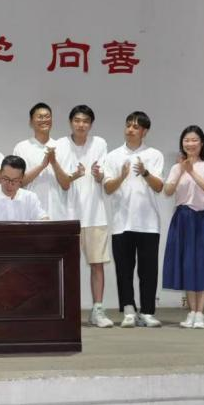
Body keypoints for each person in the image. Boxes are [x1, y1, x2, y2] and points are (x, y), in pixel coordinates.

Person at [102, 111, 165, 328]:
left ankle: (147, 312)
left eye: (136, 127)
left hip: (149, 222)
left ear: (144, 131)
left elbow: (159, 186)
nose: (130, 130)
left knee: (148, 271)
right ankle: (128, 310)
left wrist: (145, 172)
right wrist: (121, 176)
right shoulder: (113, 156)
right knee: (124, 269)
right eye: (128, 125)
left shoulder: (154, 154)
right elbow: (108, 188)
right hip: (121, 222)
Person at [54, 104, 113, 327]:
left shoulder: (100, 143)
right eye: (77, 120)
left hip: (95, 214)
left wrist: (98, 175)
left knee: (97, 264)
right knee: (67, 266)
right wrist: (74, 175)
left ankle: (97, 310)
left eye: (85, 121)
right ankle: (66, 311)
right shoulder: (59, 145)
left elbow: (102, 177)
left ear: (91, 124)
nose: (81, 125)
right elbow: (62, 182)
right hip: (67, 214)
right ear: (71, 122)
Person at [161, 125, 204, 328]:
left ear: (201, 143)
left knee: (201, 263)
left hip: (202, 219)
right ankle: (192, 312)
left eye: (194, 140)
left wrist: (191, 171)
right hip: (183, 218)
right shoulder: (176, 167)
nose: (190, 144)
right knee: (187, 264)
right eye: (186, 140)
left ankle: (200, 313)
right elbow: (168, 191)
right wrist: (180, 171)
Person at [13, 102, 66, 220]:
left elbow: (66, 184)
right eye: (40, 117)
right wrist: (42, 166)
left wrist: (54, 163)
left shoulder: (61, 146)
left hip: (57, 212)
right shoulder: (21, 147)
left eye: (47, 116)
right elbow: (17, 182)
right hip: (29, 212)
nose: (44, 120)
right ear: (31, 122)